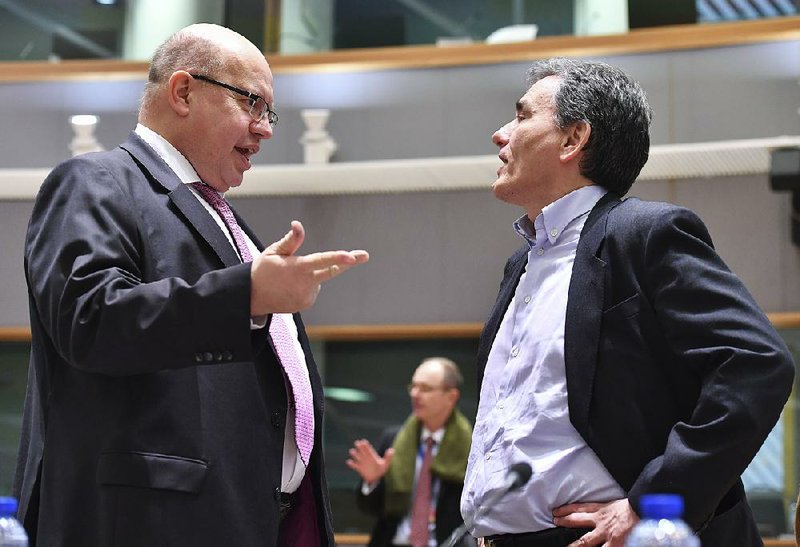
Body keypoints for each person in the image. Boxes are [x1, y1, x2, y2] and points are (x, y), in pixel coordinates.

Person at [13, 23, 369, 547]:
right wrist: (246, 295)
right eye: (251, 103)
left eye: (269, 112)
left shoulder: (225, 217)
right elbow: (90, 319)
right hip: (146, 522)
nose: (265, 128)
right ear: (183, 92)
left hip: (254, 519)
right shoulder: (96, 180)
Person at [460, 57, 795, 547]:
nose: (500, 133)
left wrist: (656, 500)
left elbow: (756, 363)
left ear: (573, 140)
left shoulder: (643, 234)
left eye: (523, 115)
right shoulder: (520, 266)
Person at [346, 357, 474, 547]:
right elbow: (370, 510)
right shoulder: (393, 440)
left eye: (425, 388)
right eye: (413, 386)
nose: (415, 394)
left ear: (451, 396)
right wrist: (372, 482)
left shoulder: (471, 446)